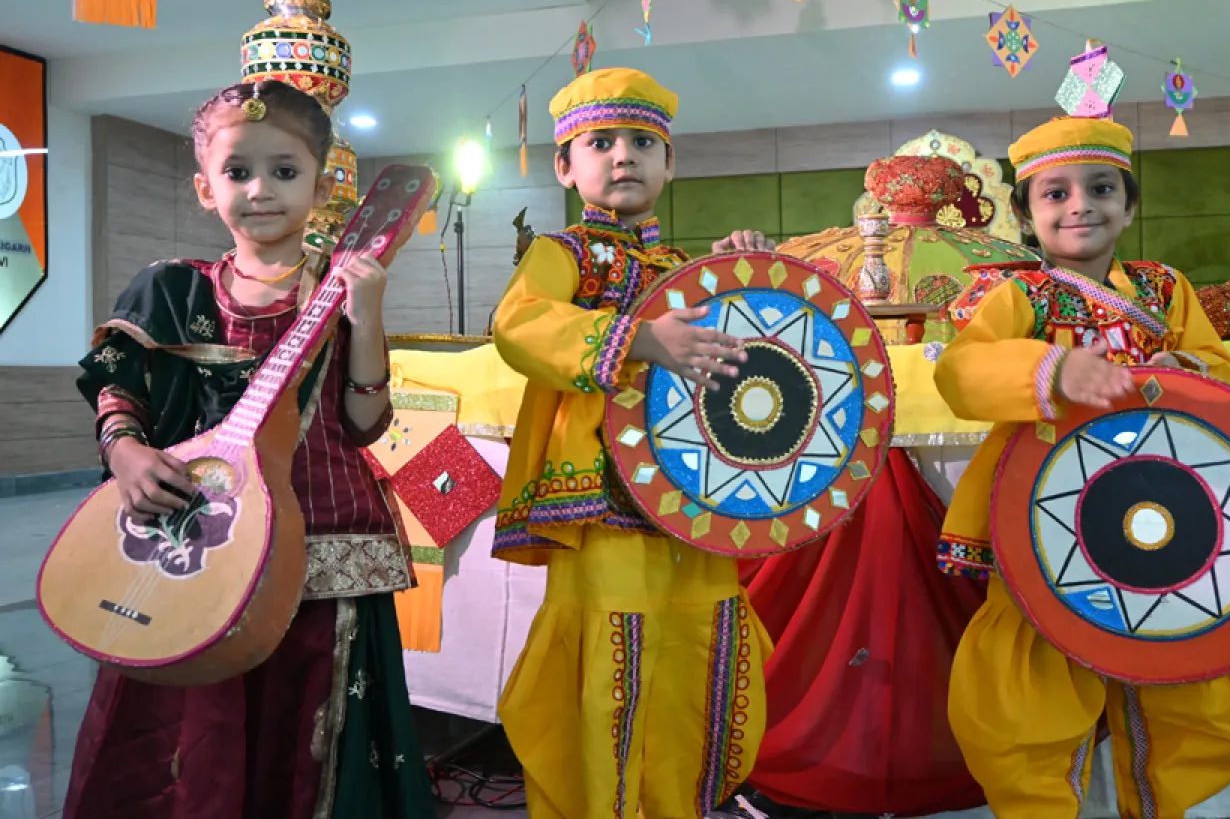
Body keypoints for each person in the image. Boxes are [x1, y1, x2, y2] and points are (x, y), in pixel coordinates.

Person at [63, 79, 433, 819]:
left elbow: (363, 424)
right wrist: (126, 451)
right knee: (192, 737)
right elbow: (118, 383)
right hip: (192, 541)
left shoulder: (337, 288)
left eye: (284, 171)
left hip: (323, 541)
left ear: (321, 187)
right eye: (238, 171)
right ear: (206, 188)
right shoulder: (172, 289)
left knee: (310, 735)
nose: (260, 189)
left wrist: (366, 315)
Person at [932, 117, 1230, 818]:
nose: (1080, 205)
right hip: (1046, 517)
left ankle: (1160, 805)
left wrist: (1185, 369)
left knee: (1179, 669)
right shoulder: (1018, 296)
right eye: (1055, 193)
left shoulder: (1163, 289)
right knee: (1028, 693)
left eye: (1101, 189)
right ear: (1026, 215)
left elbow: (1218, 366)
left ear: (1129, 205)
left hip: (1161, 507)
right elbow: (961, 372)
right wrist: (1053, 370)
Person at [491, 67, 775, 819]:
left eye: (643, 143)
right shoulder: (564, 253)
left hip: (695, 498)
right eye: (601, 142)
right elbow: (519, 325)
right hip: (604, 501)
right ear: (565, 166)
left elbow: (743, 355)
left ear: (670, 164)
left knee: (691, 657)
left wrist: (745, 273)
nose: (624, 155)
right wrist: (640, 338)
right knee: (613, 666)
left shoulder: (685, 270)